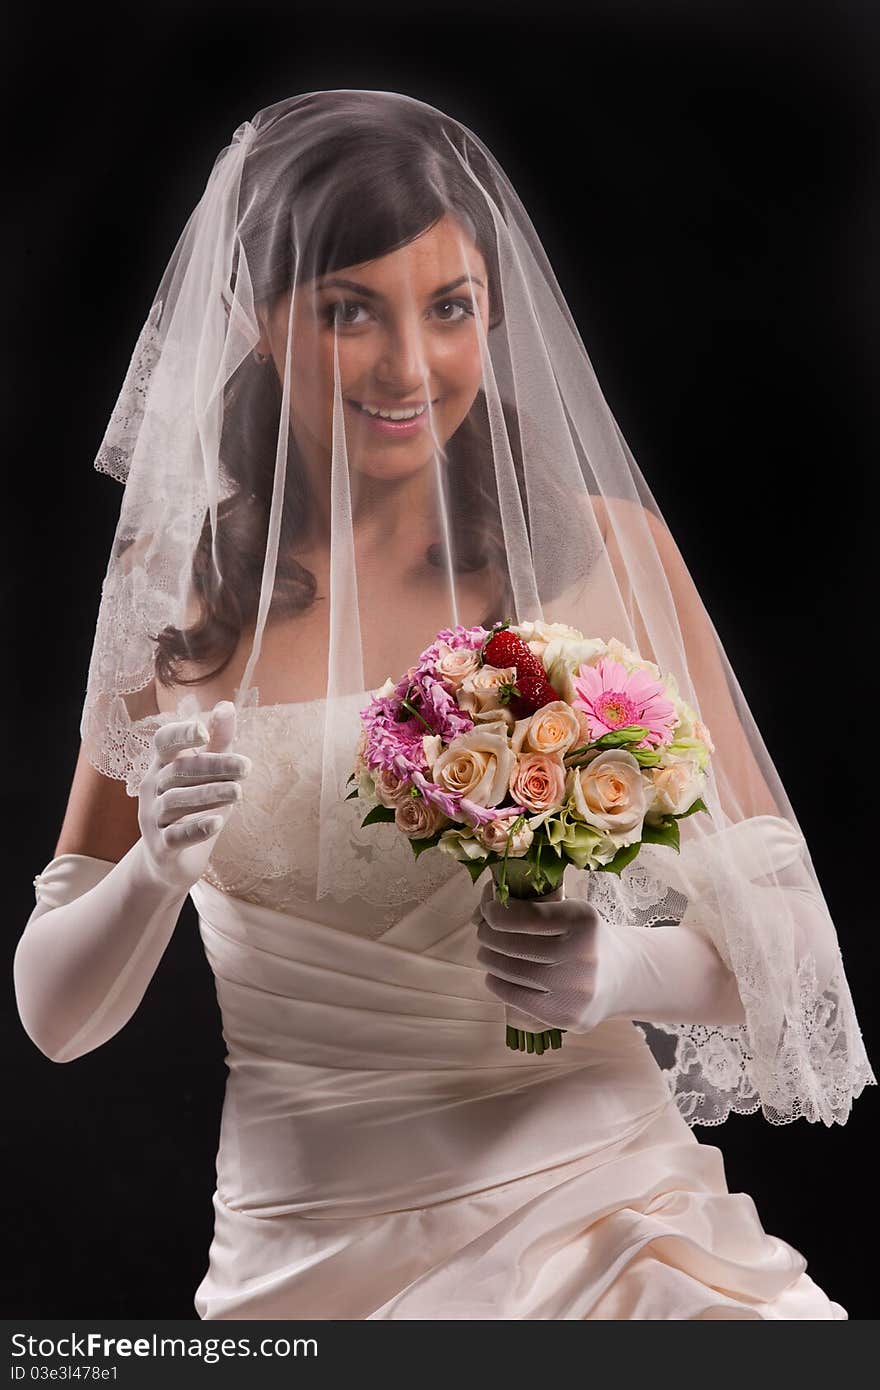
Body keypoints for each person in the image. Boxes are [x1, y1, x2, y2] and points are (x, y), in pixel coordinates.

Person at [14, 89, 875, 1320]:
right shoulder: (170, 598)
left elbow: (795, 952)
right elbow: (53, 1018)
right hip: (304, 1264)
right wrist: (148, 873)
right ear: (254, 323)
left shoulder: (594, 556)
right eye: (348, 310)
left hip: (610, 1219)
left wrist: (616, 969)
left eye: (451, 307)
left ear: (495, 310)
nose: (408, 366)